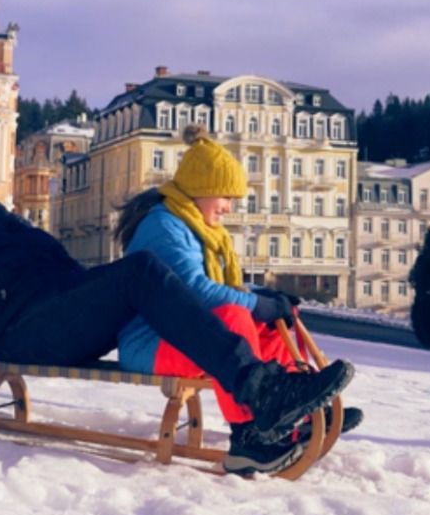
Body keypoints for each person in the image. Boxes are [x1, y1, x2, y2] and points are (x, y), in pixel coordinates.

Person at [0, 103, 354, 474]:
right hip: (13, 330)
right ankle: (261, 393)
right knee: (143, 270)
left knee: (168, 288)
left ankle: (264, 423)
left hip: (48, 310)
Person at [115, 125, 364, 474]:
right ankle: (249, 435)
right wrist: (256, 302)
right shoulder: (164, 226)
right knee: (233, 316)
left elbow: (217, 286)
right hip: (150, 343)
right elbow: (194, 290)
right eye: (226, 197)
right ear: (203, 189)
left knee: (267, 322)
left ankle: (295, 412)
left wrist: (267, 300)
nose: (229, 208)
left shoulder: (200, 229)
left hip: (186, 338)